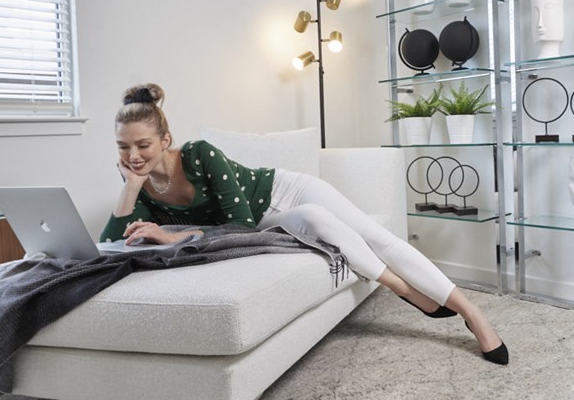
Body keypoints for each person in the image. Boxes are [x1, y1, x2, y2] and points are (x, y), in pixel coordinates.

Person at [101, 83, 508, 365]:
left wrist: (171, 233)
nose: (133, 155)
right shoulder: (136, 179)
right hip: (269, 226)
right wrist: (131, 188)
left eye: (143, 145)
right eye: (124, 146)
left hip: (284, 193)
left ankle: (471, 312)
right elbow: (111, 243)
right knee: (314, 223)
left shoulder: (199, 155)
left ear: (165, 140)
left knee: (372, 235)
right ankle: (405, 289)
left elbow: (241, 224)